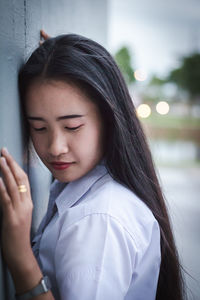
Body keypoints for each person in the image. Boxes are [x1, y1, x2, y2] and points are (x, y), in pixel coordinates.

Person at [0, 31, 185, 300]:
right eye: (39, 127)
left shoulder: (99, 221)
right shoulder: (92, 187)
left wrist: (21, 261)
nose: (55, 147)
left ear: (109, 118)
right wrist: (59, 63)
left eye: (72, 126)